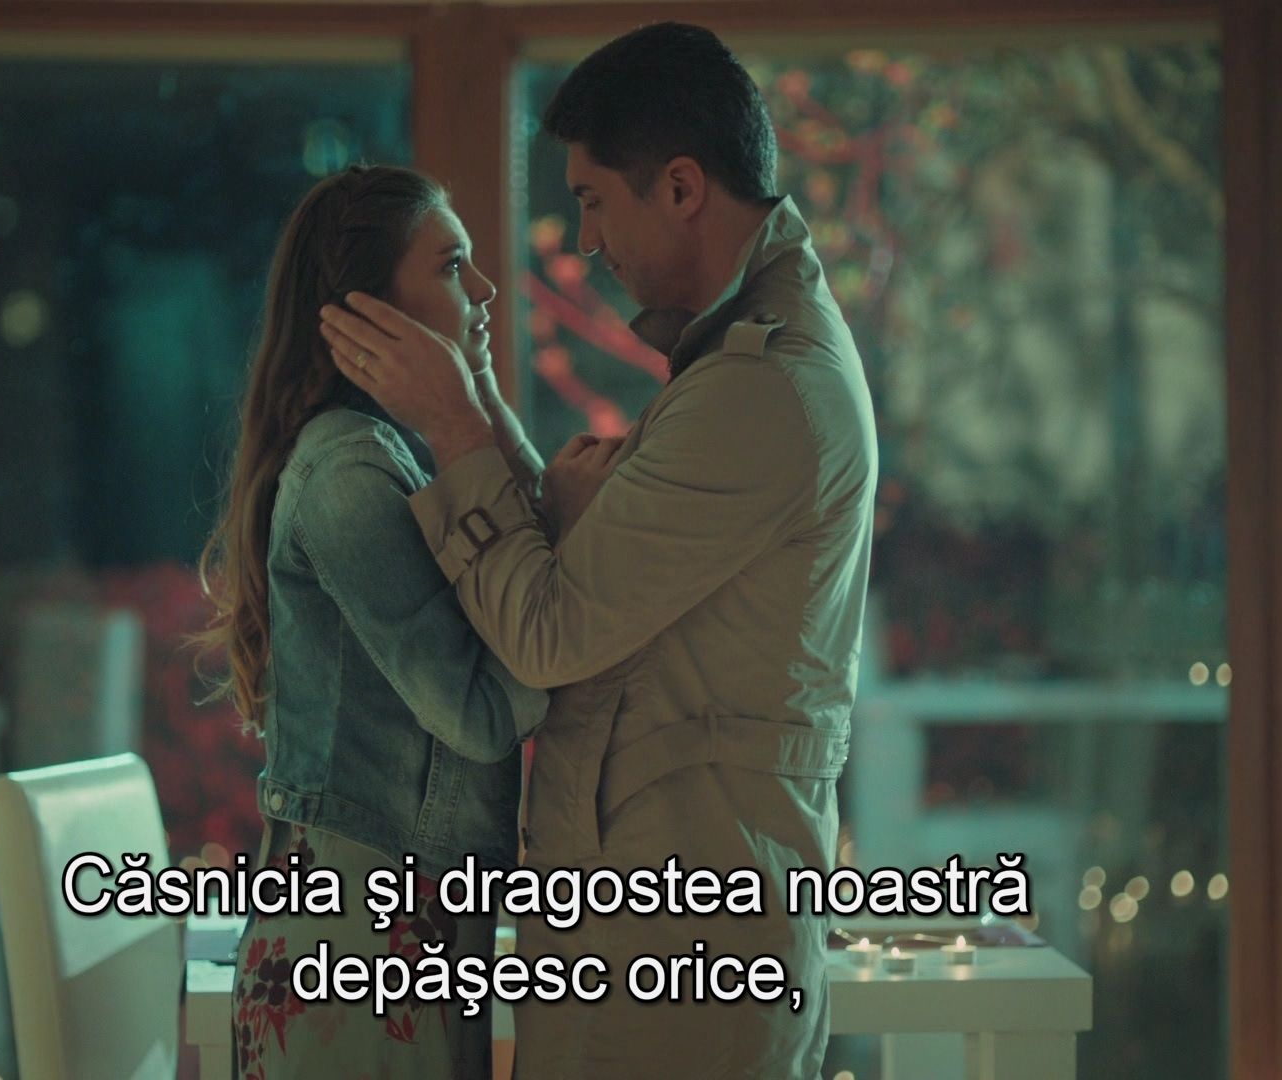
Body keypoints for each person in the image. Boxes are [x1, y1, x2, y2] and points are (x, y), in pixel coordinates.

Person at [318, 22, 879, 1077]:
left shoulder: (760, 387)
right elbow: (607, 583)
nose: (583, 242)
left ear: (680, 188)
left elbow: (550, 631)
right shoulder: (744, 362)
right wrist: (482, 409)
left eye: (592, 201)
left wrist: (456, 429)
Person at [195, 164, 548, 1079]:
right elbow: (483, 709)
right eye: (453, 266)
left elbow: (525, 584)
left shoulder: (389, 456)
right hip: (360, 945)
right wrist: (563, 573)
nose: (485, 289)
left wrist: (477, 404)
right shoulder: (352, 476)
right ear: (370, 309)